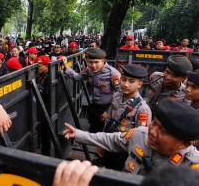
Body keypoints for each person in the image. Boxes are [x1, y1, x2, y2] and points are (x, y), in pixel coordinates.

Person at [64, 98, 199, 176]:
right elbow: (111, 139)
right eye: (154, 124)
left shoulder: (192, 165)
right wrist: (79, 134)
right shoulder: (140, 134)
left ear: (184, 144)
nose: (152, 132)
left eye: (163, 132)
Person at [100, 64, 152, 170]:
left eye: (131, 81)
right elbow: (109, 120)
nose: (126, 84)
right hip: (110, 143)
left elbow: (141, 138)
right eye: (123, 79)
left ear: (140, 84)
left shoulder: (142, 109)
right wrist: (102, 142)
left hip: (125, 151)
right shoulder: (117, 96)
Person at [62, 48, 121, 133]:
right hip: (95, 106)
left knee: (105, 135)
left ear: (103, 61)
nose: (93, 65)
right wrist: (66, 66)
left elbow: (120, 94)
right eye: (90, 62)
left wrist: (109, 111)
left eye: (96, 62)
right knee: (93, 131)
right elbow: (77, 77)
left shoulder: (113, 73)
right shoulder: (89, 70)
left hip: (108, 108)